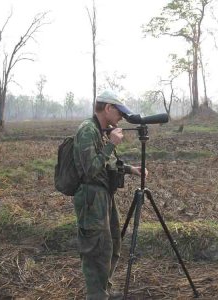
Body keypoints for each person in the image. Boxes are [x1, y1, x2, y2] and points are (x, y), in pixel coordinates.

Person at [73, 90, 146, 300]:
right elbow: (90, 170)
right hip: (91, 198)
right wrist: (111, 144)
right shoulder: (87, 130)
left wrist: (132, 169)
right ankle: (97, 296)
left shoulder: (101, 130)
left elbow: (108, 165)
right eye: (119, 112)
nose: (121, 117)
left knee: (112, 246)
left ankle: (103, 290)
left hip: (104, 196)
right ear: (108, 108)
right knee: (96, 252)